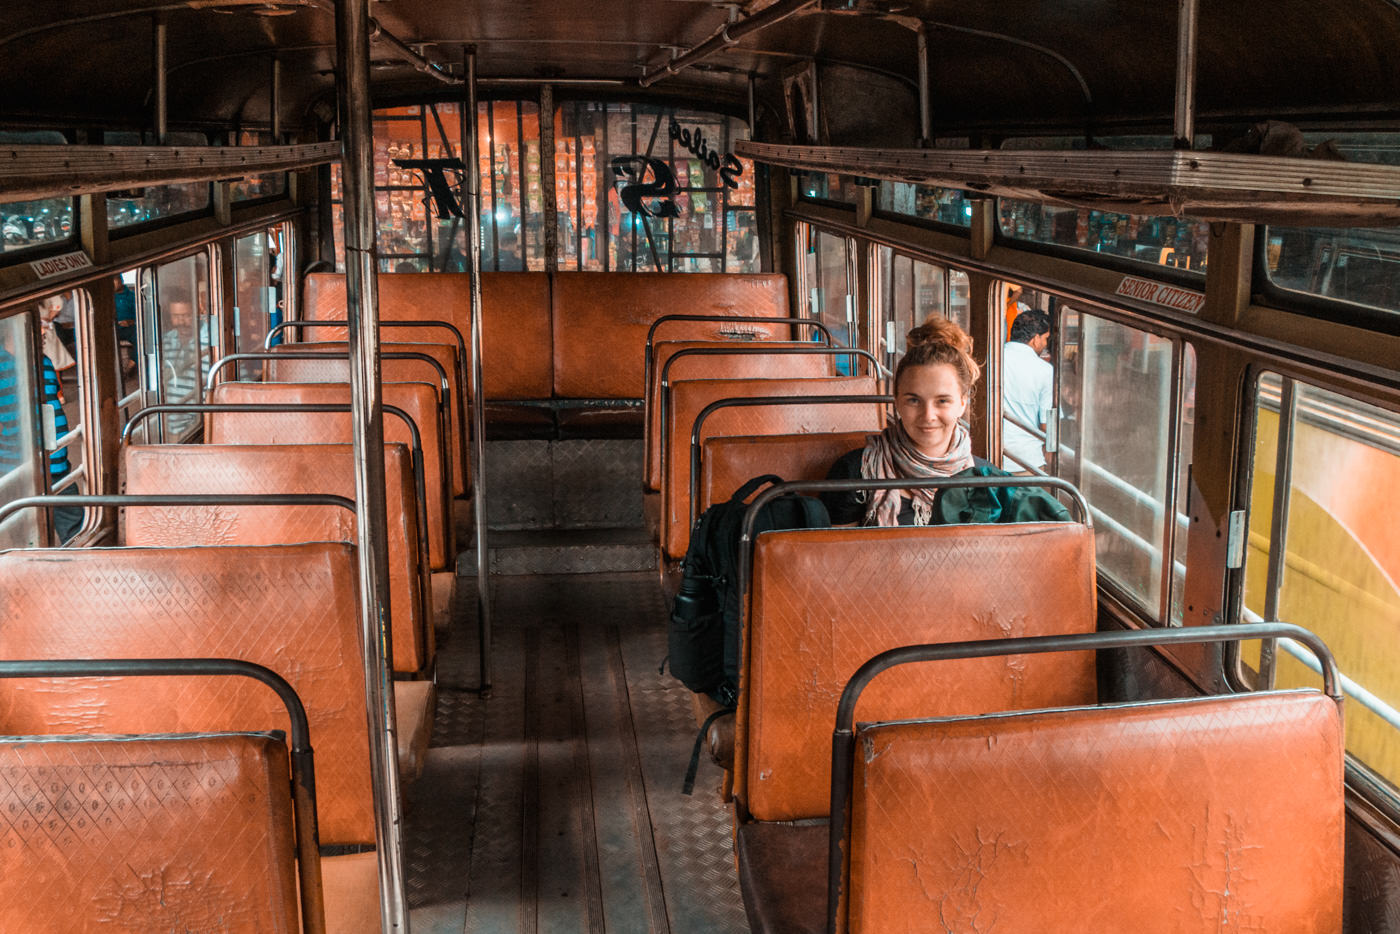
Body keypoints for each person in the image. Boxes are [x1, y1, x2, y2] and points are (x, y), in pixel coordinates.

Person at [823, 316, 1068, 527]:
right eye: (914, 401)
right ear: (895, 401)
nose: (928, 415)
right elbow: (835, 565)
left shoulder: (987, 484)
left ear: (962, 403)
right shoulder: (855, 473)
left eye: (942, 401)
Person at [1001, 310, 1053, 473]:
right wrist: (1050, 453)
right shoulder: (1045, 370)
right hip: (1028, 460)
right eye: (1045, 339)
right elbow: (1047, 423)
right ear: (1036, 338)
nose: (1045, 344)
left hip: (992, 455)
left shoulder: (994, 357)